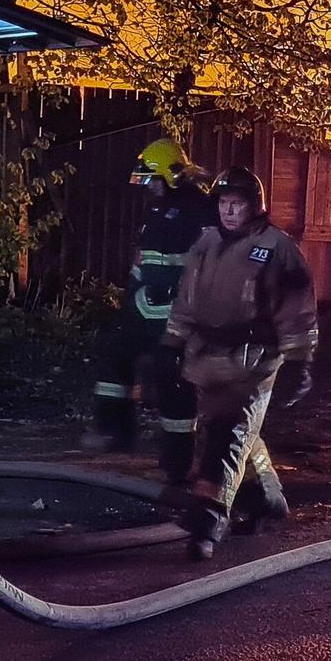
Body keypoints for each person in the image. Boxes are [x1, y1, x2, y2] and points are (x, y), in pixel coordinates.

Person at [163, 166, 318, 561]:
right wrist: (172, 343)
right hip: (209, 357)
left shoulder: (277, 247)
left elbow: (297, 309)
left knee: (227, 438)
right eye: (224, 204)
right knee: (228, 431)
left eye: (237, 205)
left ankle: (206, 524)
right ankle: (267, 499)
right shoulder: (207, 243)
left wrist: (299, 361)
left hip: (255, 361)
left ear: (255, 207)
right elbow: (187, 299)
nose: (229, 212)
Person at [87, 138, 216, 481]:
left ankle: (176, 465)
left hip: (179, 315)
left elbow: (210, 266)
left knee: (171, 378)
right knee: (113, 352)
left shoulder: (200, 211)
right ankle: (116, 432)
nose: (147, 186)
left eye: (151, 179)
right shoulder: (159, 209)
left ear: (172, 175)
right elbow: (144, 258)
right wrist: (131, 298)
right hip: (146, 308)